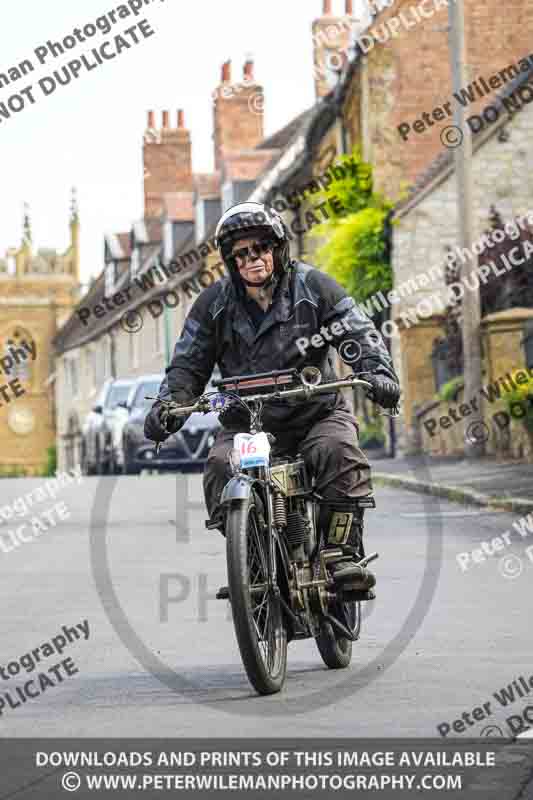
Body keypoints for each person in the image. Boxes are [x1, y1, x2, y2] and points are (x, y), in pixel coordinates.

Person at [145, 202, 400, 594]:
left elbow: (357, 335)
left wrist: (377, 371)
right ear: (231, 261)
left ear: (277, 248)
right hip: (247, 423)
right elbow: (188, 365)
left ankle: (340, 554)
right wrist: (168, 405)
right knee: (219, 467)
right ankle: (250, 561)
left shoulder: (315, 288)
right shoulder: (214, 303)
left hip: (315, 413)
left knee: (338, 451)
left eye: (260, 248)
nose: (252, 259)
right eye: (241, 254)